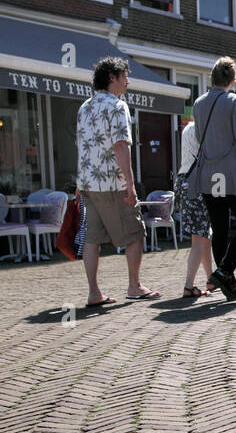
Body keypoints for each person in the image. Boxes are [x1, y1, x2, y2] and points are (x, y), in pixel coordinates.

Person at [76, 57, 157, 306]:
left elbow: (80, 146)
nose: (128, 80)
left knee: (91, 238)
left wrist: (79, 184)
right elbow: (121, 146)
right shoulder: (117, 106)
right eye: (125, 75)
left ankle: (94, 293)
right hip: (112, 182)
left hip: (88, 183)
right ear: (113, 77)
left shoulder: (84, 107)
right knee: (135, 232)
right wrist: (130, 184)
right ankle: (134, 286)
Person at [188, 57, 236, 301]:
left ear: (212, 78)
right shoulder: (234, 101)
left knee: (219, 229)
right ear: (233, 80)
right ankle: (225, 270)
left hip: (210, 174)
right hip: (232, 174)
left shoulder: (198, 103)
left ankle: (229, 286)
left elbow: (199, 137)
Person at [176, 116, 214, 298]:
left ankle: (211, 279)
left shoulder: (188, 128)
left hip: (184, 180)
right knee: (199, 238)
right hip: (197, 182)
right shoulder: (206, 130)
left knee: (204, 236)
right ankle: (188, 286)